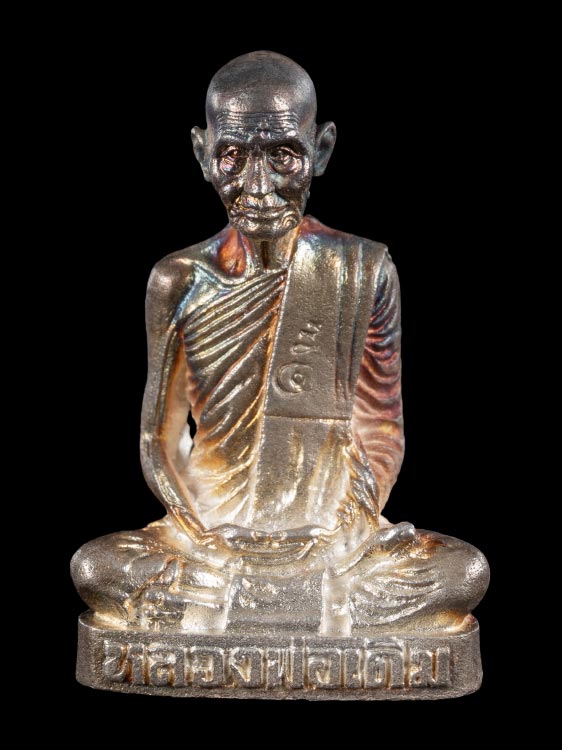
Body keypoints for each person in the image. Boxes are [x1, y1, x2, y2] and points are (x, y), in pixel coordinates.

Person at [72, 51, 488, 635]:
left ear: (322, 150)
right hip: (213, 536)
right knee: (96, 567)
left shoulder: (363, 271)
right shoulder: (177, 280)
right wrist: (204, 534)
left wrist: (345, 528)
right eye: (233, 157)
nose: (258, 186)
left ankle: (238, 608)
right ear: (202, 155)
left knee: (462, 572)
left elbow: (381, 430)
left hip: (330, 535)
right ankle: (309, 609)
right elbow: (158, 440)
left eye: (283, 155)